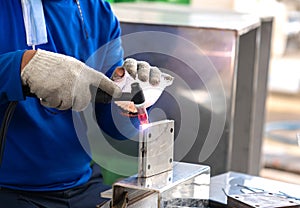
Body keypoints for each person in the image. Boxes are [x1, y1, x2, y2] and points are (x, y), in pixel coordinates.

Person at [0, 0, 162, 207]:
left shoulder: (96, 10)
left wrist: (132, 99)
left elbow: (112, 124)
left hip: (82, 185)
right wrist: (18, 65)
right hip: (10, 190)